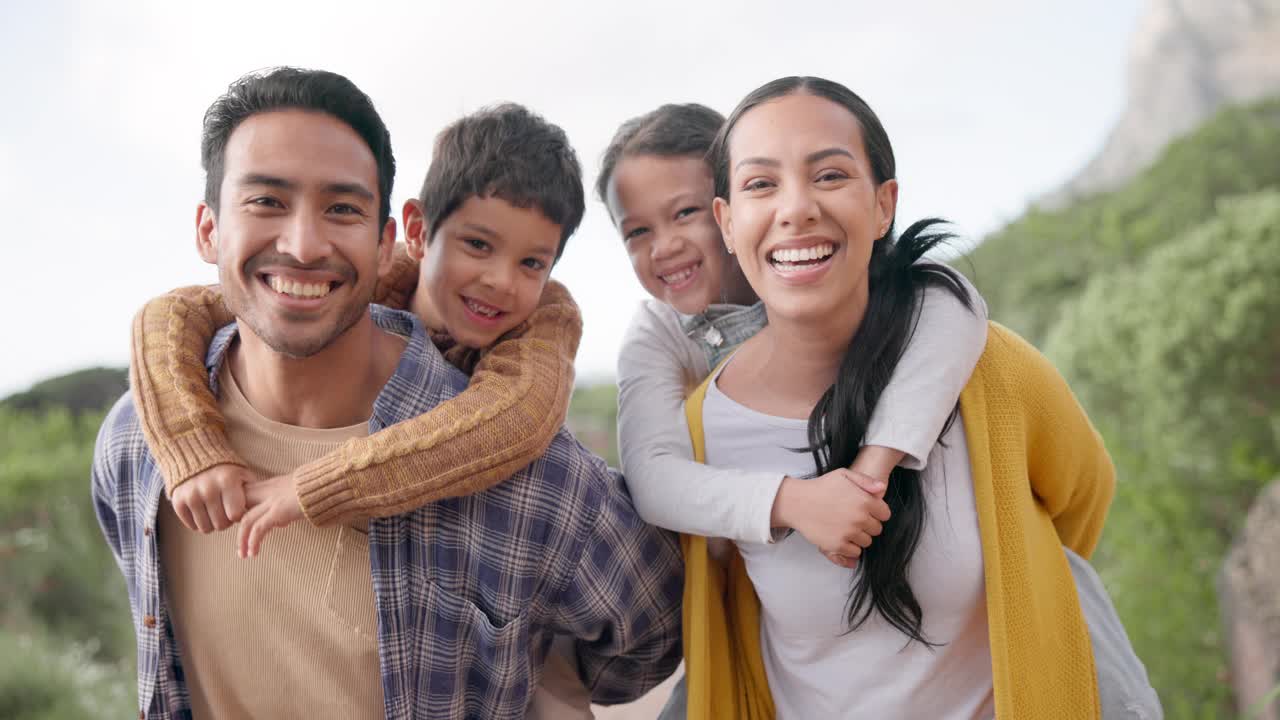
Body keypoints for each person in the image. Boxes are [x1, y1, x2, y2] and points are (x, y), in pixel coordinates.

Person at [91, 67, 682, 720]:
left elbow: (650, 635)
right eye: (266, 201)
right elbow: (177, 312)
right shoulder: (134, 446)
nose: (304, 245)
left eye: (342, 208)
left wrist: (533, 679)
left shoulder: (536, 472)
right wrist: (190, 442)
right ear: (208, 230)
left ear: (382, 240)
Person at [670, 75, 1119, 719]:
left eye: (829, 175)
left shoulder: (988, 370)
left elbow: (1083, 500)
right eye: (761, 184)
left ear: (884, 206)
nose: (796, 208)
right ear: (728, 223)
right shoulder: (702, 430)